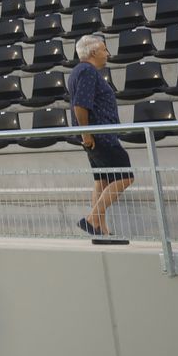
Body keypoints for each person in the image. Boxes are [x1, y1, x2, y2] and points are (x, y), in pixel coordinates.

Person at [69, 35, 132, 244]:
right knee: (125, 177)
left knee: (102, 181)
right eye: (105, 49)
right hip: (100, 136)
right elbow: (80, 104)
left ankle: (101, 232)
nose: (108, 54)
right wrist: (87, 134)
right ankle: (92, 220)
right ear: (93, 52)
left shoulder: (79, 71)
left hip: (95, 136)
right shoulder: (87, 71)